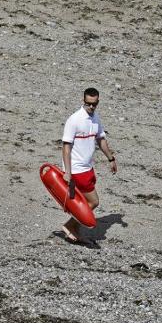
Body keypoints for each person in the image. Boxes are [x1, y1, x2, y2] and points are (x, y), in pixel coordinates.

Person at [61, 87, 117, 244]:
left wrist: (111, 158)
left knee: (83, 201)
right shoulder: (74, 120)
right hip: (77, 169)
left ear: (98, 102)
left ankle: (75, 229)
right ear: (83, 101)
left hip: (88, 167)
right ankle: (69, 226)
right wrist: (68, 172)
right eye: (88, 104)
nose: (91, 107)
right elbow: (66, 147)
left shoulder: (95, 118)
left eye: (94, 104)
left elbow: (101, 139)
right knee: (94, 201)